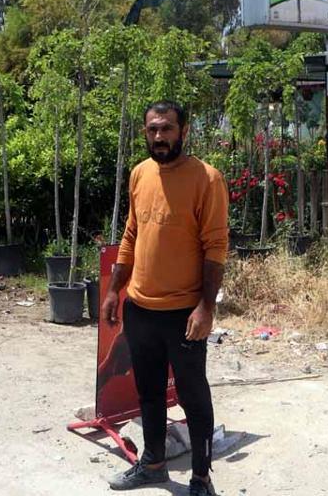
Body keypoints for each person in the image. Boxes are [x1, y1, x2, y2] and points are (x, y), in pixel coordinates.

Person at [103, 100, 228, 495]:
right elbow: (131, 234)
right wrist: (114, 290)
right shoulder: (140, 173)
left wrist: (206, 307)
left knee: (193, 395)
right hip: (141, 308)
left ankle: (201, 478)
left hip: (184, 313)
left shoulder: (207, 179)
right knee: (149, 392)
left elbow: (215, 248)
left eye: (167, 129)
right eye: (153, 129)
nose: (159, 136)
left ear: (183, 131)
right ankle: (153, 464)